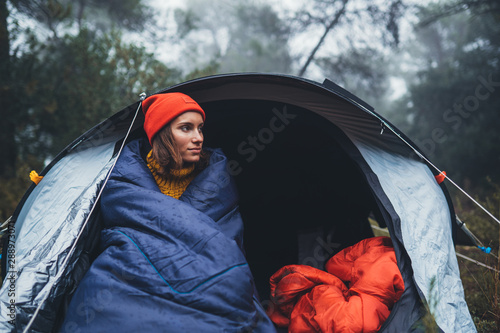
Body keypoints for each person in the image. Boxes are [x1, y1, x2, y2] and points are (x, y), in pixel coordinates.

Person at [60, 92, 276, 332]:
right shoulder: (124, 181)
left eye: (200, 129)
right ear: (161, 133)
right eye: (186, 128)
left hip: (209, 281)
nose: (198, 138)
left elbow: (229, 245)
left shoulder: (218, 183)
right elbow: (126, 239)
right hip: (133, 279)